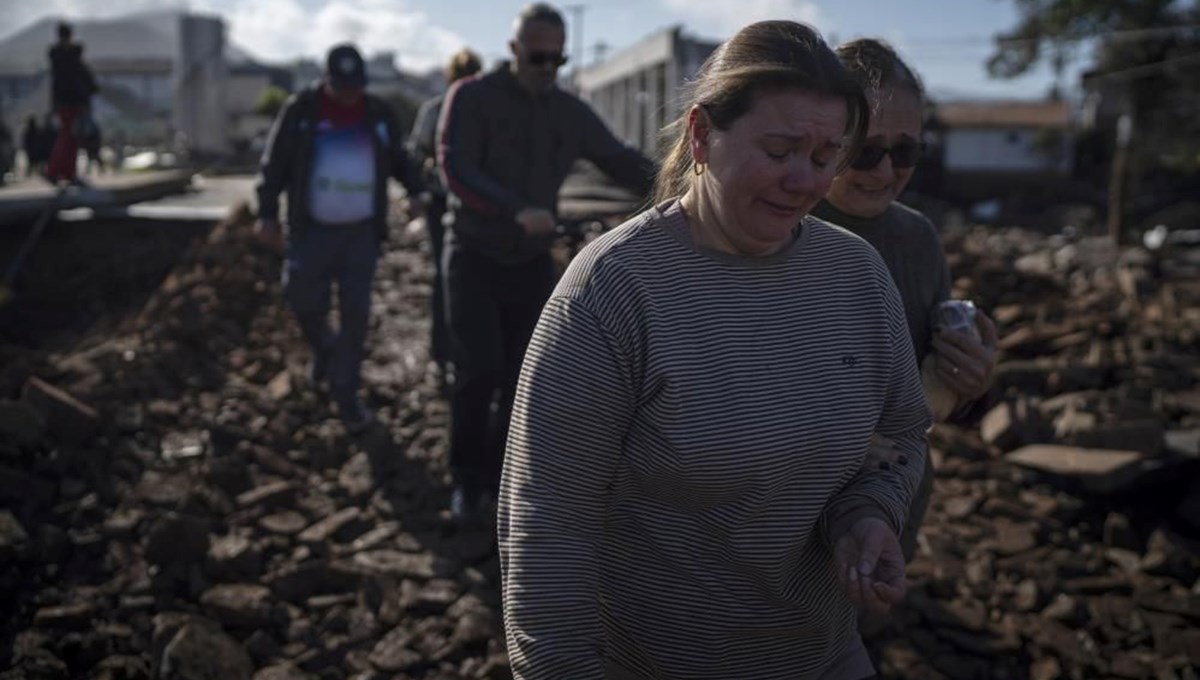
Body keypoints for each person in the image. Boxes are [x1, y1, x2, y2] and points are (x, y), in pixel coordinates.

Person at [498, 20, 932, 680]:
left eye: (825, 158)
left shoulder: (856, 275)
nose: (803, 181)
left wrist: (870, 513)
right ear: (702, 135)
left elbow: (900, 427)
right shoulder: (614, 290)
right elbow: (549, 525)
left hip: (821, 654)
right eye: (781, 149)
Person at [437, 3, 656, 518]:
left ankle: (505, 476)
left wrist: (686, 188)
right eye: (538, 58)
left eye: (557, 60)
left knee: (524, 376)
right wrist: (516, 211)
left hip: (530, 262)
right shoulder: (471, 98)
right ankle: (467, 480)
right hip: (474, 254)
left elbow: (620, 159)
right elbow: (456, 167)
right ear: (513, 50)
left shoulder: (568, 112)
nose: (547, 69)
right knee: (478, 370)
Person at [811, 39, 998, 562]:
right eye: (865, 151)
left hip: (894, 499)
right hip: (785, 510)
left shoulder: (917, 238)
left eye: (906, 151)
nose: (885, 171)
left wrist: (971, 384)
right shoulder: (776, 226)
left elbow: (927, 397)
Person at [255, 43, 425, 432]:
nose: (351, 94)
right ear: (326, 80)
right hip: (311, 229)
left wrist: (414, 191)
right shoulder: (301, 111)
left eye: (356, 86)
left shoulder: (377, 113)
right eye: (344, 87)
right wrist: (266, 213)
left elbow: (398, 158)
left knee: (356, 313)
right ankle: (325, 348)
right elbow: (275, 164)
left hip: (360, 233)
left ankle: (346, 393)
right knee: (300, 296)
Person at [406, 48, 482, 389]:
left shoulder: (483, 112)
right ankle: (445, 353)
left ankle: (462, 353)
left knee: (460, 277)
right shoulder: (436, 110)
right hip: (444, 202)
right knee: (446, 276)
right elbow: (416, 154)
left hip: (476, 205)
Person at [46, 22, 97, 184]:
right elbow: (79, 80)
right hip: (73, 102)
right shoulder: (71, 58)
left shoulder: (58, 58)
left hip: (65, 102)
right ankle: (57, 171)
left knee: (69, 138)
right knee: (69, 138)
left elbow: (57, 83)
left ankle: (64, 172)